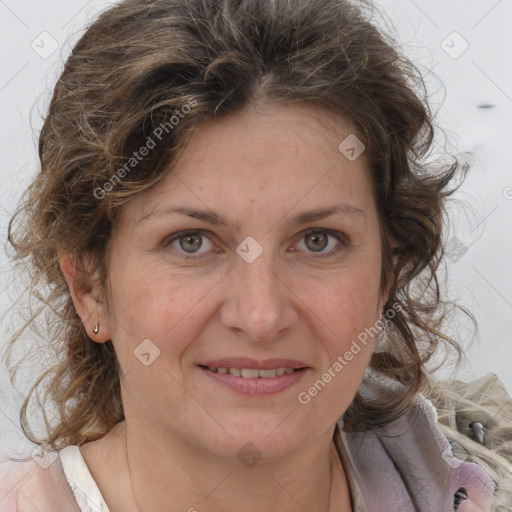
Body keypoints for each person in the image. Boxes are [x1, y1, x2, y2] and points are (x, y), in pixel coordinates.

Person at [1, 0, 511, 510]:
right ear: (89, 287)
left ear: (387, 275)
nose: (261, 317)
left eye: (318, 240)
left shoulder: (482, 477)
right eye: (191, 242)